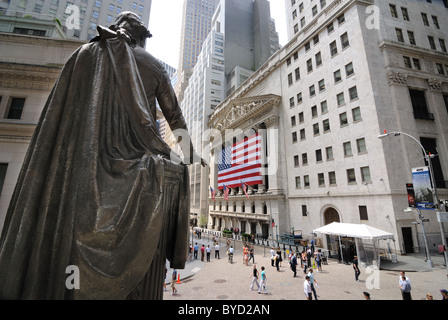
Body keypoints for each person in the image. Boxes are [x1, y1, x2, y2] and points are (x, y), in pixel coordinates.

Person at [0, 11, 206, 300]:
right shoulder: (152, 65)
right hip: (139, 161)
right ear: (140, 36)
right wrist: (192, 154)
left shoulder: (84, 54)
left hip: (83, 165)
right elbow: (175, 117)